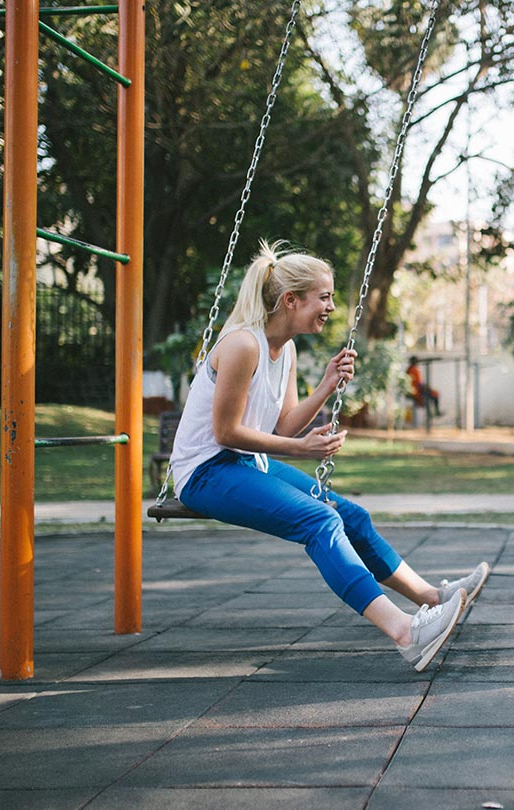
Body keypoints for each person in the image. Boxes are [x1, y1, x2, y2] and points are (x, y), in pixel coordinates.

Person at [170, 241, 489, 671]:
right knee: (320, 520)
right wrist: (302, 450)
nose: (331, 307)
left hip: (244, 464)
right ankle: (405, 632)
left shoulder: (286, 350)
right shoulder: (243, 345)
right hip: (206, 473)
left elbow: (282, 425)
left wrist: (325, 385)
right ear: (291, 300)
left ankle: (433, 598)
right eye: (324, 297)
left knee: (350, 515)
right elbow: (225, 433)